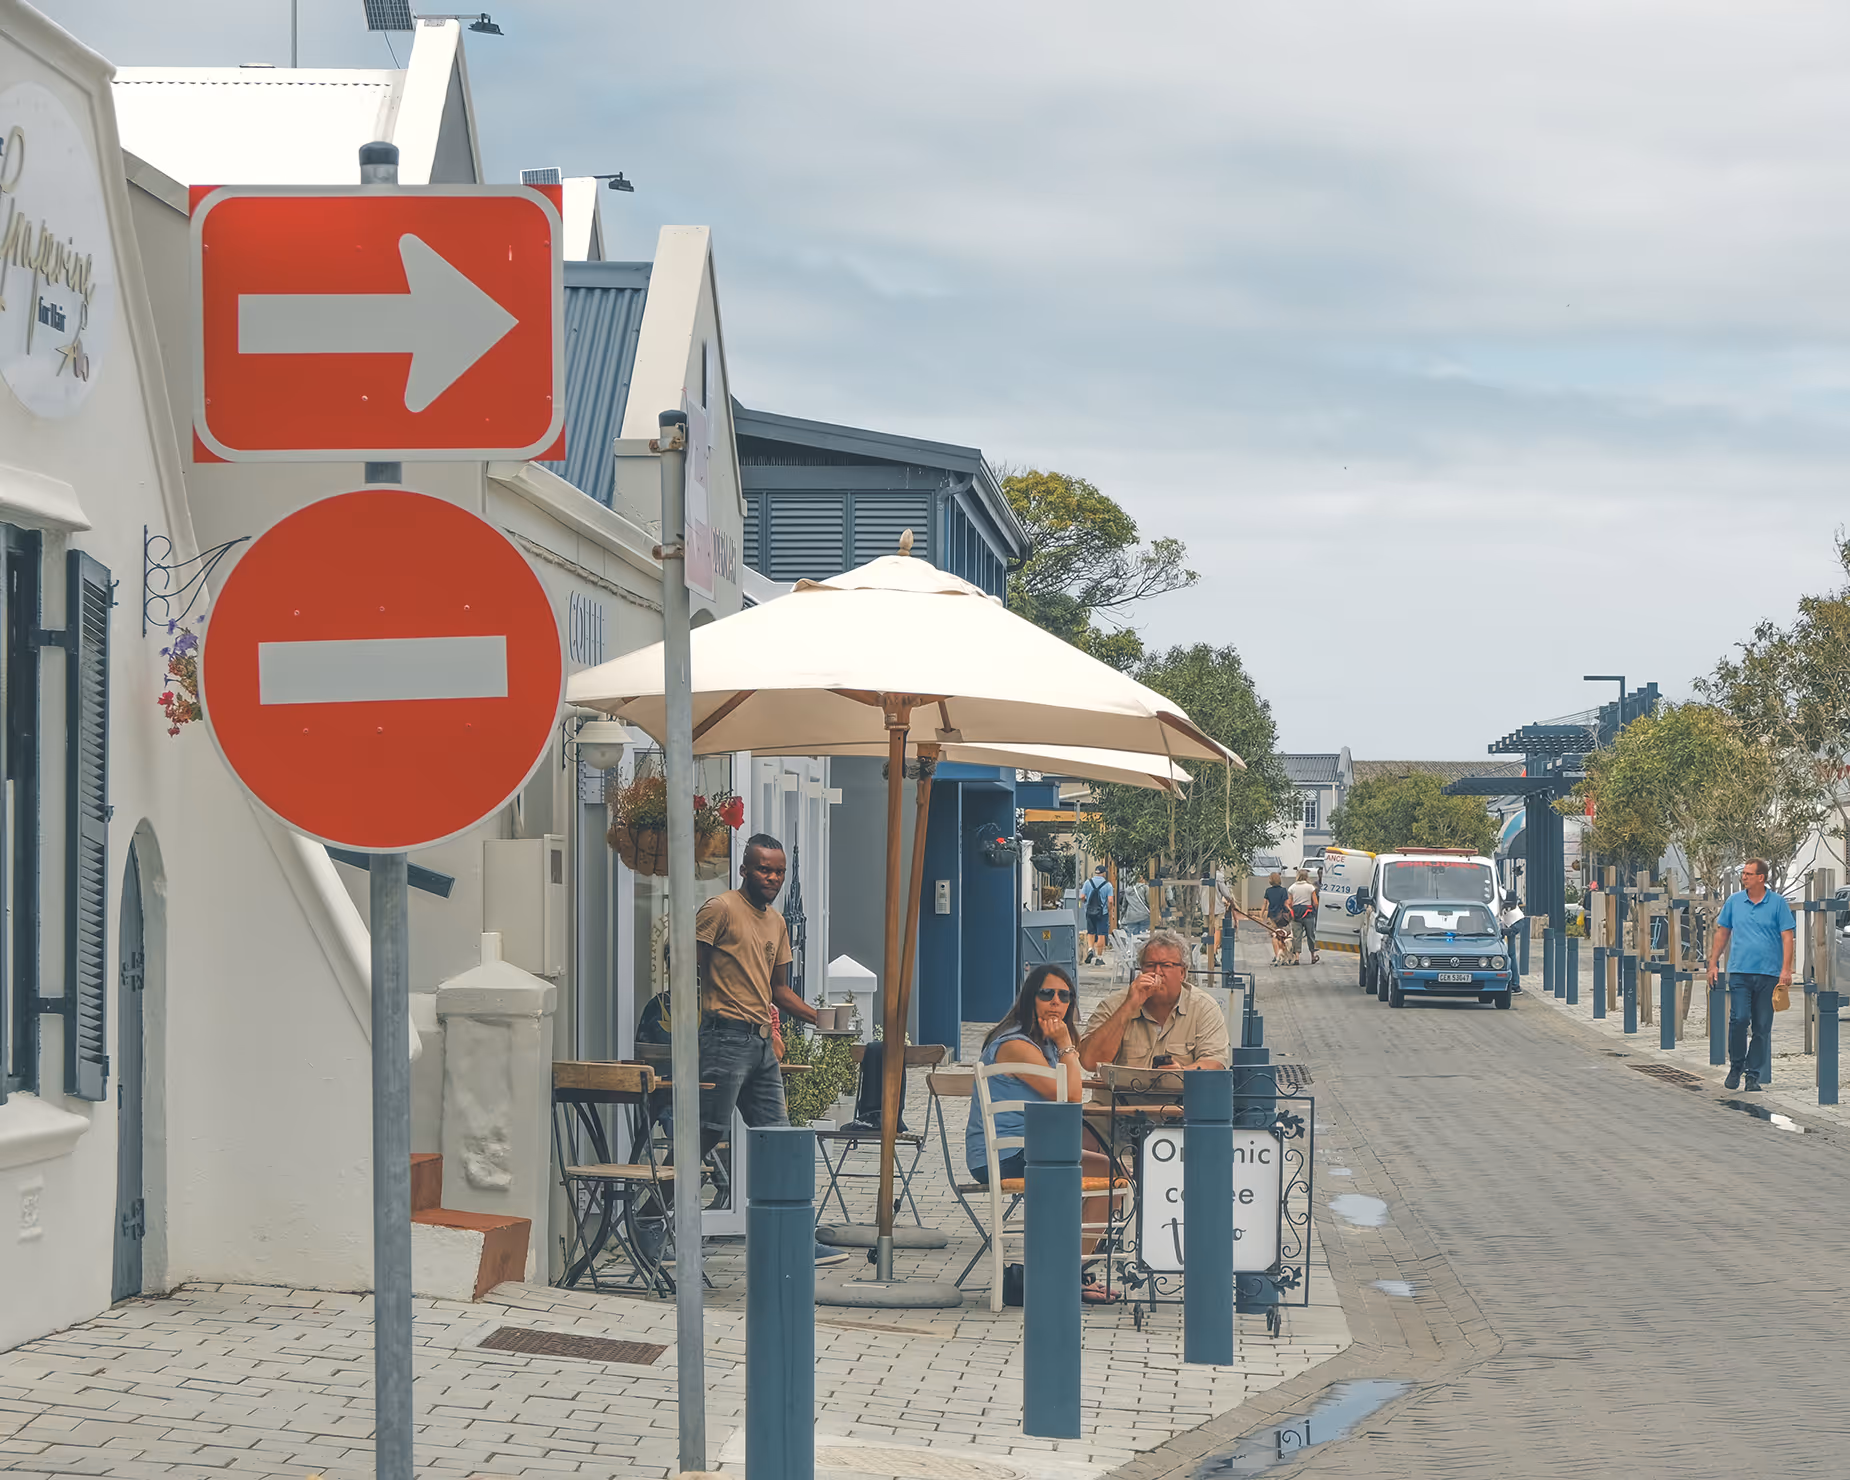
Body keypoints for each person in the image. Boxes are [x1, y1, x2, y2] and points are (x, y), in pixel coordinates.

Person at [694, 832, 847, 1267]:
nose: (772, 877)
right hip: (723, 1038)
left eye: (779, 871)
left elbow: (778, 990)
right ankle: (652, 1221)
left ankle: (794, 1237)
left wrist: (822, 1020)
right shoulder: (719, 909)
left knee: (779, 1141)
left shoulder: (777, 923)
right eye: (764, 868)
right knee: (705, 1135)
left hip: (761, 1045)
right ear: (744, 869)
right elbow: (689, 969)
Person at [967, 964, 1119, 1302]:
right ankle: (1067, 1275)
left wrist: (1065, 1048)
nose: (1055, 1002)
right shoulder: (1016, 1045)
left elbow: (1071, 1087)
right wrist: (1067, 1043)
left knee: (1096, 1149)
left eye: (1064, 996)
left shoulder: (1042, 1045)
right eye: (1046, 994)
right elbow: (1071, 1095)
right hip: (1006, 1156)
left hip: (1035, 1148)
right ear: (1029, 998)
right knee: (1115, 1177)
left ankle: (1064, 1269)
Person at [1078, 929, 1231, 1071]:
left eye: (1166, 965)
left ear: (1182, 973)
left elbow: (1215, 1063)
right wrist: (1129, 1006)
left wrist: (1182, 1073)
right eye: (1150, 966)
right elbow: (1090, 1062)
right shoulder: (1114, 1004)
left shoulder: (1204, 1008)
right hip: (1120, 1099)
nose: (1157, 972)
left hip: (1179, 1098)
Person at [1709, 857, 1795, 1093]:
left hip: (1768, 975)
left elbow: (1788, 937)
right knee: (1738, 1019)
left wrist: (1786, 969)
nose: (1743, 877)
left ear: (1761, 878)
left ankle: (1752, 1075)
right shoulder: (1734, 902)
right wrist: (1713, 963)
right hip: (1739, 972)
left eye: (1748, 873)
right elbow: (1722, 933)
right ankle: (1736, 1066)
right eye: (1743, 873)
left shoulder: (1778, 904)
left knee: (1762, 1026)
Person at [1080, 865, 1114, 965]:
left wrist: (1086, 903)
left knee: (1090, 932)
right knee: (1101, 935)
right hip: (1102, 913)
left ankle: (1090, 949)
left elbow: (1082, 896)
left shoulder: (1087, 882)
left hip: (1090, 912)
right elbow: (1110, 901)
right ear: (1104, 873)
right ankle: (1099, 958)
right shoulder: (1108, 885)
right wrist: (1109, 910)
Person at [1287, 868, 1320, 965]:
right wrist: (1315, 910)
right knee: (1310, 935)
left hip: (1296, 914)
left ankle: (1297, 958)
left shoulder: (1292, 888)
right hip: (1308, 913)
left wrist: (1292, 910)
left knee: (1297, 936)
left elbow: (1289, 903)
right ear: (1306, 877)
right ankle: (1313, 956)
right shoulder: (1310, 887)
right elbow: (1315, 902)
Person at [1262, 871, 1292, 967]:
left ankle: (1277, 956)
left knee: (1274, 936)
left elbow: (1264, 904)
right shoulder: (1283, 890)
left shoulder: (1268, 891)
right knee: (1282, 936)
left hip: (1272, 916)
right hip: (1282, 916)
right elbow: (1286, 903)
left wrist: (1261, 914)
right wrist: (1291, 912)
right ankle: (1282, 955)